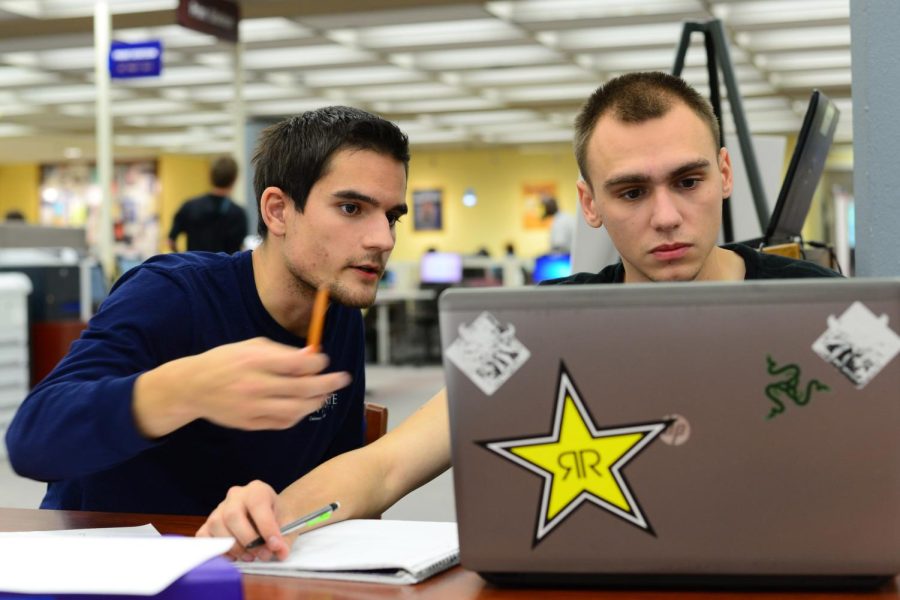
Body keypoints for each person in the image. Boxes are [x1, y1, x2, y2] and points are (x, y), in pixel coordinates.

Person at [196, 72, 839, 562]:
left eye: (689, 182)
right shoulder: (541, 324)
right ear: (589, 204)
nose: (666, 215)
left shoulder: (827, 309)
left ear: (724, 175)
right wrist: (265, 519)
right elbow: (388, 464)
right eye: (632, 192)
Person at [5, 107, 411, 523]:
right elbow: (32, 441)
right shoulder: (170, 294)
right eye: (350, 208)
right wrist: (185, 389)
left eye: (392, 216)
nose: (383, 239)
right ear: (277, 211)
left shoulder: (338, 314)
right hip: (116, 564)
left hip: (248, 568)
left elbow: (337, 479)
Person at [167, 156, 248, 254]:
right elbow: (239, 249)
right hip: (224, 268)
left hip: (195, 267)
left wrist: (183, 260)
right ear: (234, 179)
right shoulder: (238, 213)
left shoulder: (189, 207)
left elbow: (171, 241)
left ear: (210, 176)